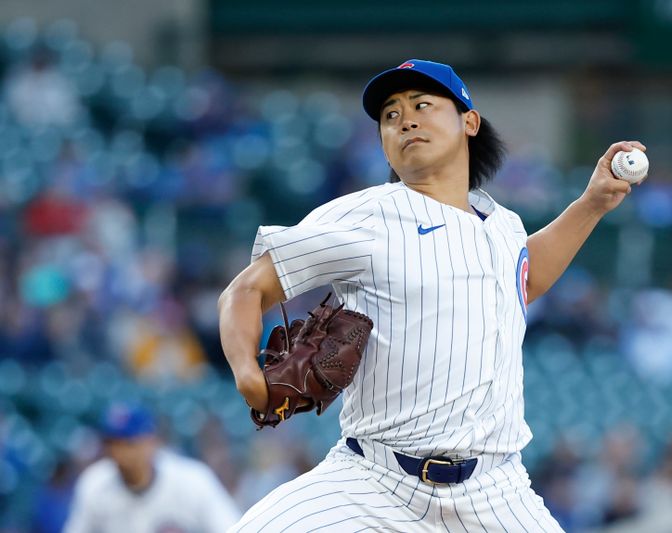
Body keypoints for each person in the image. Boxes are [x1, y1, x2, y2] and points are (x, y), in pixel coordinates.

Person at [218, 59, 646, 532]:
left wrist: (591, 204)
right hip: (375, 483)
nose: (407, 120)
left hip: (496, 490)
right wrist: (247, 374)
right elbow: (245, 289)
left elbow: (524, 278)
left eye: (422, 105)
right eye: (391, 116)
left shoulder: (502, 225)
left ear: (469, 122)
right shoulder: (366, 216)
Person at [64, 402, 240, 533]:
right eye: (112, 444)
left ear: (151, 442)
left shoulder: (192, 479)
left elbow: (232, 528)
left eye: (128, 444)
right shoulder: (94, 484)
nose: (119, 453)